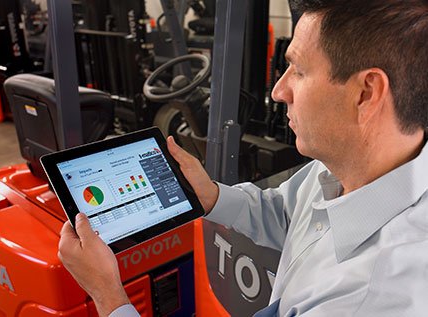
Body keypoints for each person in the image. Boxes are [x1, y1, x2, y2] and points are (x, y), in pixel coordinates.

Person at [58, 0, 428, 316]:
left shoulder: (370, 299)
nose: (280, 90)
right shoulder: (341, 168)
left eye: (298, 70)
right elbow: (287, 213)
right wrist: (211, 196)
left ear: (366, 93)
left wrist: (108, 294)